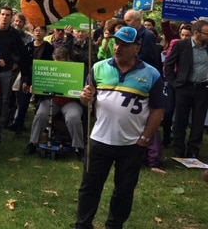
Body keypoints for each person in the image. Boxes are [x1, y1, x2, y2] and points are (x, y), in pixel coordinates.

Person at [76, 26, 165, 229]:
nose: (118, 48)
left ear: (137, 48)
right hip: (99, 140)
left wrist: (144, 140)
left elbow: (157, 111)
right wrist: (84, 98)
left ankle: (114, 225)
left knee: (124, 191)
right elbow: (86, 100)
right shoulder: (98, 67)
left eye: (125, 45)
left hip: (131, 144)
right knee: (89, 187)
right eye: (117, 43)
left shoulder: (152, 74)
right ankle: (83, 225)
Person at [24, 47, 84, 158]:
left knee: (73, 118)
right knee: (41, 115)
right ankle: (32, 143)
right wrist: (35, 88)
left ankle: (78, 147)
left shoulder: (76, 70)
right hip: (51, 100)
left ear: (67, 60)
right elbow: (40, 85)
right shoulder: (48, 68)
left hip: (70, 101)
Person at [164, 20, 208, 159]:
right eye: (207, 33)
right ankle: (179, 149)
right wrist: (175, 83)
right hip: (184, 88)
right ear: (197, 33)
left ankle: (193, 150)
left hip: (202, 89)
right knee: (181, 120)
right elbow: (168, 66)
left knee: (198, 121)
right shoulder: (181, 46)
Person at [9, 25, 54, 134]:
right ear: (33, 32)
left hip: (42, 79)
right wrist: (24, 81)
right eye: (36, 30)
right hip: (28, 78)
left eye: (41, 31)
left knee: (40, 104)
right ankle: (18, 126)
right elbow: (23, 65)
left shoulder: (49, 48)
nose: (38, 33)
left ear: (45, 33)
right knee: (23, 104)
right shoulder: (27, 47)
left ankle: (39, 127)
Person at [0, 5, 30, 128]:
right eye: (2, 14)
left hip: (6, 70)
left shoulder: (14, 34)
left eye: (7, 15)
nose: (4, 17)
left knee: (4, 98)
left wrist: (15, 63)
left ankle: (0, 122)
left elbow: (21, 52)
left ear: (11, 17)